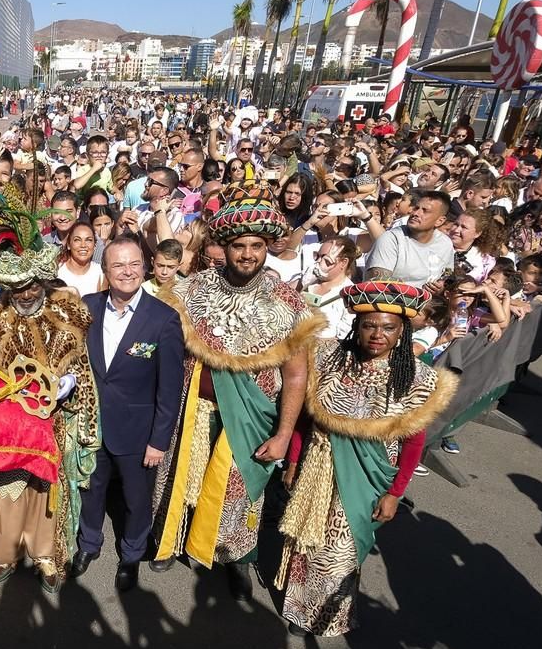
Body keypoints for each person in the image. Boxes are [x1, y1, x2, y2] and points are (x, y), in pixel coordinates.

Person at [152, 191, 323, 599]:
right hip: (191, 405)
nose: (247, 254)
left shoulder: (288, 302)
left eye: (256, 246)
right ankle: (170, 539)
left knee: (240, 489)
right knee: (179, 476)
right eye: (239, 246)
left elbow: (296, 375)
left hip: (251, 413)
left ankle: (236, 556)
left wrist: (283, 434)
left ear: (267, 248)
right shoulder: (192, 289)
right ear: (223, 248)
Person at [277, 281, 457, 636]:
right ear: (356, 326)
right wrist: (295, 460)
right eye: (369, 325)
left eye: (388, 327)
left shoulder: (417, 379)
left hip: (367, 476)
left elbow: (413, 442)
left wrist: (395, 493)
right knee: (306, 541)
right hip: (318, 464)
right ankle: (298, 607)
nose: (378, 334)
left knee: (341, 548)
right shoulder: (328, 358)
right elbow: (304, 417)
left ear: (402, 330)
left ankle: (324, 614)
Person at [0, 244, 100, 591]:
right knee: (8, 490)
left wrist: (70, 385)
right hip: (12, 427)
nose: (25, 294)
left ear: (42, 282)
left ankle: (45, 555)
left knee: (46, 492)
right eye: (18, 288)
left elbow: (82, 370)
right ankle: (3, 553)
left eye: (31, 286)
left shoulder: (67, 319)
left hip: (52, 423)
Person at [69, 237, 184, 588]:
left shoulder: (163, 319)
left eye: (134, 264)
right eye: (118, 265)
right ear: (105, 270)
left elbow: (169, 388)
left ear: (145, 266)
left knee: (136, 499)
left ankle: (132, 554)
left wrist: (158, 441)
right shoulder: (87, 308)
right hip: (90, 425)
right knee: (91, 491)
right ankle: (88, 544)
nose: (127, 272)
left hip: (137, 431)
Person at [365, 189, 454, 289]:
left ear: (439, 221)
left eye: (425, 211)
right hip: (391, 302)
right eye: (416, 208)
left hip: (430, 302)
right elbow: (377, 285)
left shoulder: (445, 244)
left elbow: (448, 273)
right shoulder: (391, 239)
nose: (416, 213)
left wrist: (441, 286)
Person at [296, 237, 359, 340]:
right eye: (317, 256)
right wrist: (313, 275)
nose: (319, 262)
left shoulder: (350, 294)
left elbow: (343, 337)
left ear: (343, 262)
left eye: (326, 259)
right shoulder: (309, 280)